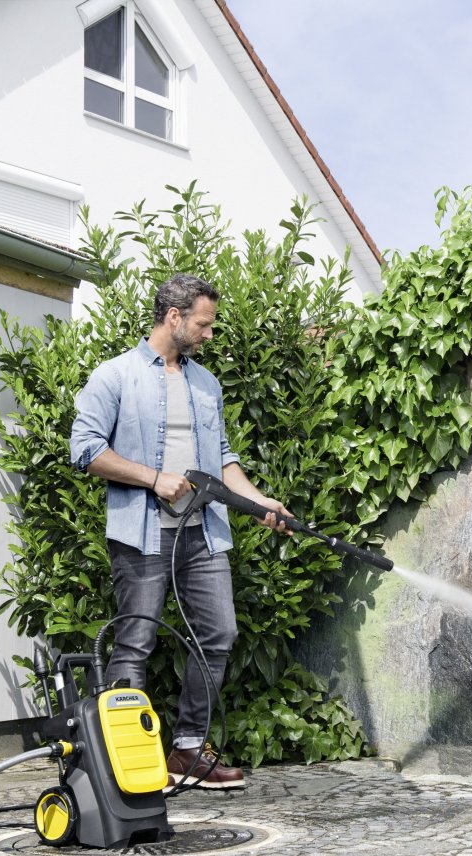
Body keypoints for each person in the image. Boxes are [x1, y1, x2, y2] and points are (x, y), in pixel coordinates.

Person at [69, 273, 292, 789]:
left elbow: (223, 459)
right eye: (203, 324)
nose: (209, 334)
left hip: (202, 533)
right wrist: (153, 479)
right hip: (143, 533)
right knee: (136, 641)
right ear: (174, 317)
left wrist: (258, 503)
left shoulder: (205, 383)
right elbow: (85, 449)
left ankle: (188, 749)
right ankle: (123, 764)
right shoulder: (115, 376)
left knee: (219, 632)